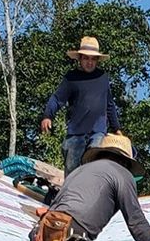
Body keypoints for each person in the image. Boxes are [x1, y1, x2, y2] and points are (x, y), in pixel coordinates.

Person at [39, 34, 122, 173]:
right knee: (73, 170)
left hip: (98, 132)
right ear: (80, 59)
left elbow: (109, 105)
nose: (89, 62)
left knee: (94, 163)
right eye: (86, 58)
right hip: (76, 133)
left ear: (97, 60)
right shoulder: (71, 78)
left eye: (93, 59)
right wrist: (47, 116)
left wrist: (116, 128)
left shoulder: (103, 78)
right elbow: (57, 99)